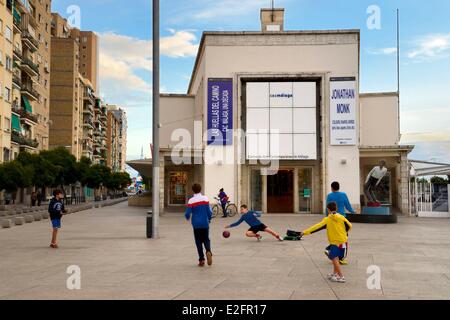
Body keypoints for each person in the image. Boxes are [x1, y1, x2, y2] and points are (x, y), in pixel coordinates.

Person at [300, 202, 352, 283]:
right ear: (336, 208)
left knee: (334, 258)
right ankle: (334, 274)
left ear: (328, 209)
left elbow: (316, 227)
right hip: (343, 242)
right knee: (336, 258)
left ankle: (341, 276)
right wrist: (344, 233)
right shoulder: (342, 217)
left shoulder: (327, 220)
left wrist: (305, 232)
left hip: (335, 242)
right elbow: (349, 226)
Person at [185, 183, 213, 267]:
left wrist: (187, 217)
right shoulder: (205, 198)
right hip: (205, 222)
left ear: (193, 190)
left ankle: (201, 260)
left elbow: (187, 213)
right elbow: (209, 212)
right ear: (200, 189)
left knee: (198, 241)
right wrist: (209, 218)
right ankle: (208, 251)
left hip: (196, 224)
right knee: (206, 239)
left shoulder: (191, 200)